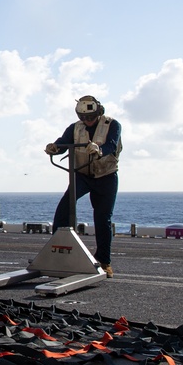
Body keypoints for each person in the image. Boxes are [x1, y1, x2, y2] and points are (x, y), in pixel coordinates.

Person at [45, 95, 122, 278]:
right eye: (83, 118)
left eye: (90, 117)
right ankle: (57, 253)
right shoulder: (75, 127)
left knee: (103, 218)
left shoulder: (112, 124)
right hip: (82, 174)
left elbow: (111, 144)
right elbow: (63, 142)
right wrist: (55, 147)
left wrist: (99, 150)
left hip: (106, 176)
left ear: (98, 112)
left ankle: (104, 261)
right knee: (64, 208)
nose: (86, 121)